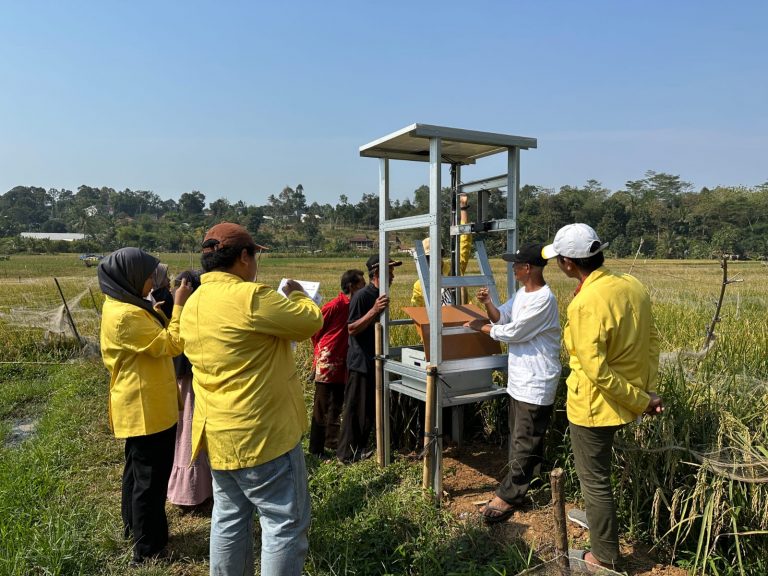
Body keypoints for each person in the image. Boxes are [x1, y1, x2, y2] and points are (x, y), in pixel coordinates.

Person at [179, 222, 322, 576]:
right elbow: (308, 322)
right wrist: (299, 294)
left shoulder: (194, 301)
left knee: (229, 519)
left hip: (217, 435)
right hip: (262, 435)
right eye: (254, 255)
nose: (256, 263)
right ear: (243, 257)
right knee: (283, 525)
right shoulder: (252, 296)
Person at [542, 223, 663, 571]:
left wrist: (639, 400)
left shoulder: (585, 304)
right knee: (598, 480)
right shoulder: (631, 285)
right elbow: (651, 340)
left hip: (595, 407)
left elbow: (596, 371)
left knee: (594, 482)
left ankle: (604, 557)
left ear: (568, 263)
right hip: (628, 399)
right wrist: (647, 392)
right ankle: (598, 523)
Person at [97, 247, 192, 566]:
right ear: (130, 277)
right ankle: (149, 551)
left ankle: (134, 530)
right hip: (146, 408)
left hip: (141, 404)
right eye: (148, 276)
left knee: (136, 474)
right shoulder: (126, 315)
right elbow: (171, 343)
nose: (153, 282)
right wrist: (178, 307)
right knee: (150, 482)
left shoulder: (123, 305)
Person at [465, 242, 562, 524]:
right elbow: (503, 317)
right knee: (522, 437)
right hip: (520, 379)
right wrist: (488, 307)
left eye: (516, 265)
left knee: (524, 439)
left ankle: (510, 496)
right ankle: (526, 485)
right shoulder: (522, 293)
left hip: (536, 380)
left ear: (527, 268)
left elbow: (514, 332)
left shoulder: (544, 299)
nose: (513, 268)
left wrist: (481, 327)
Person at [336, 254, 402, 463]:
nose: (392, 276)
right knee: (355, 409)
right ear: (377, 273)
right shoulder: (363, 296)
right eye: (389, 271)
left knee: (366, 409)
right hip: (360, 361)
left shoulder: (380, 294)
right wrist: (374, 310)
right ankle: (345, 455)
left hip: (374, 359)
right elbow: (352, 328)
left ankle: (360, 449)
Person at [167, 270, 213, 509]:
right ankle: (191, 492)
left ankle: (189, 490)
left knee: (184, 433)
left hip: (180, 379)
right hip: (190, 381)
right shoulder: (186, 311)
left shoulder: (173, 308)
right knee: (189, 432)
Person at [309, 268, 366, 458]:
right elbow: (315, 329)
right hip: (328, 359)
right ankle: (316, 449)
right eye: (361, 284)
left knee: (336, 404)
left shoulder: (355, 305)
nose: (364, 287)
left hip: (343, 360)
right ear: (351, 286)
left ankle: (331, 443)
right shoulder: (335, 305)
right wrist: (319, 354)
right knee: (322, 405)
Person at [410, 193, 471, 306]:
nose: (432, 261)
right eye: (428, 258)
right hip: (437, 323)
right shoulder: (419, 285)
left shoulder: (454, 270)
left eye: (435, 257)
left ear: (441, 255)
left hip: (460, 321)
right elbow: (418, 313)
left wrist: (463, 209)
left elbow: (464, 242)